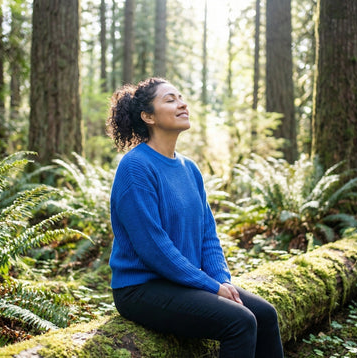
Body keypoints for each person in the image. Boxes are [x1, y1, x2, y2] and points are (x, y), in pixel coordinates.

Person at [106, 77, 284, 358]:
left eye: (181, 97)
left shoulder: (189, 168)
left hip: (180, 283)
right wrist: (210, 287)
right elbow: (154, 248)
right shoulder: (135, 167)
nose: (182, 103)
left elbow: (207, 235)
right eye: (170, 99)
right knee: (240, 321)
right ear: (148, 116)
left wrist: (221, 281)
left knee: (265, 314)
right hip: (141, 288)